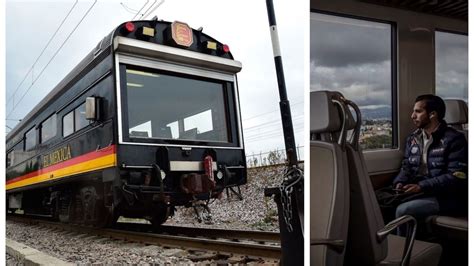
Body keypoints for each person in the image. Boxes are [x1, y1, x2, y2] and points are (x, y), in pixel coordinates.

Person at [393, 94, 467, 235]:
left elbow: (457, 176)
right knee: (379, 202)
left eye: (418, 111)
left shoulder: (455, 139)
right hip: (422, 191)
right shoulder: (413, 138)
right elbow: (407, 166)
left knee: (404, 210)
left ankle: (404, 253)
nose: (412, 116)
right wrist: (400, 182)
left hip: (447, 196)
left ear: (433, 114)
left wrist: (421, 186)